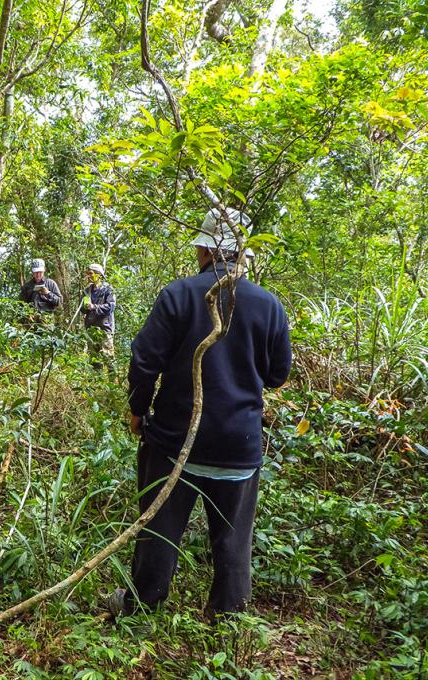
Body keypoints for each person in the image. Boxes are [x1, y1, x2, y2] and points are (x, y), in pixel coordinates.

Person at [109, 207, 292, 618]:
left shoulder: (178, 294)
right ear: (241, 255)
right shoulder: (269, 305)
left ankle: (141, 606)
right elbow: (278, 374)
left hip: (175, 441)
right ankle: (228, 617)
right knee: (233, 540)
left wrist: (138, 411)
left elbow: (143, 363)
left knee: (158, 530)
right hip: (238, 446)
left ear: (205, 250)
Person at [82, 263, 116, 370]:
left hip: (105, 328)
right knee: (94, 360)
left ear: (99, 275)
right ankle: (96, 385)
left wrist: (94, 307)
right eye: (88, 273)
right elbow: (82, 309)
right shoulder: (87, 290)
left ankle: (113, 383)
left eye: (91, 273)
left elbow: (111, 306)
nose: (89, 276)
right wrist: (85, 307)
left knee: (108, 358)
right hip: (91, 329)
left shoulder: (108, 289)